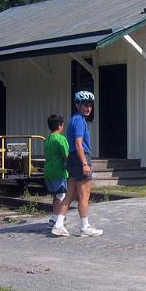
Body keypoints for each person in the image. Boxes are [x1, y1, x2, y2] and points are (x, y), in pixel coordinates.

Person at [51, 91, 103, 237]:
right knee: (84, 194)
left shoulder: (73, 119)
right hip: (80, 157)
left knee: (70, 195)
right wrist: (85, 163)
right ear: (78, 105)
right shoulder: (80, 120)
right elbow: (79, 144)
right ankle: (85, 227)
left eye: (90, 105)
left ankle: (58, 224)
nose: (88, 108)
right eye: (85, 105)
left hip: (72, 158)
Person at [44, 113, 69, 229]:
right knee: (62, 195)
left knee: (57, 195)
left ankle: (54, 217)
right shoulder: (60, 138)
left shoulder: (48, 138)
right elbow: (66, 155)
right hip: (59, 171)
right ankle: (58, 219)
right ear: (60, 125)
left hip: (49, 171)